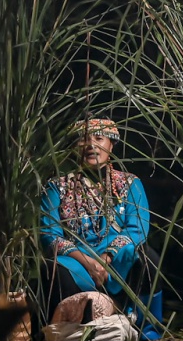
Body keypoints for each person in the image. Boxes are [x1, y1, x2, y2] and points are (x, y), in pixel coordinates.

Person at [40, 119, 151, 305]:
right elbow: (49, 234)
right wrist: (88, 263)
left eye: (99, 138)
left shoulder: (130, 183)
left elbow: (137, 228)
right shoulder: (56, 186)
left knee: (148, 258)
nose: (91, 145)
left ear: (112, 144)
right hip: (77, 260)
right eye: (82, 140)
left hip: (116, 258)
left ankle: (147, 328)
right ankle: (62, 329)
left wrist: (106, 258)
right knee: (54, 270)